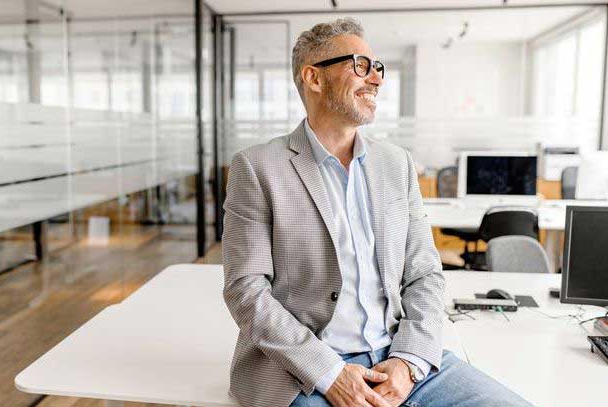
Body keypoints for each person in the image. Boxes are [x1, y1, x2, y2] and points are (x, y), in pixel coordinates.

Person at [221, 17, 532, 407]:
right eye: (361, 66)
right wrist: (330, 373)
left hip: (397, 356)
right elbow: (246, 290)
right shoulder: (257, 167)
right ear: (314, 78)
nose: (377, 79)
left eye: (378, 68)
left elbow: (425, 274)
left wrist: (408, 358)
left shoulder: (396, 163)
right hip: (304, 370)